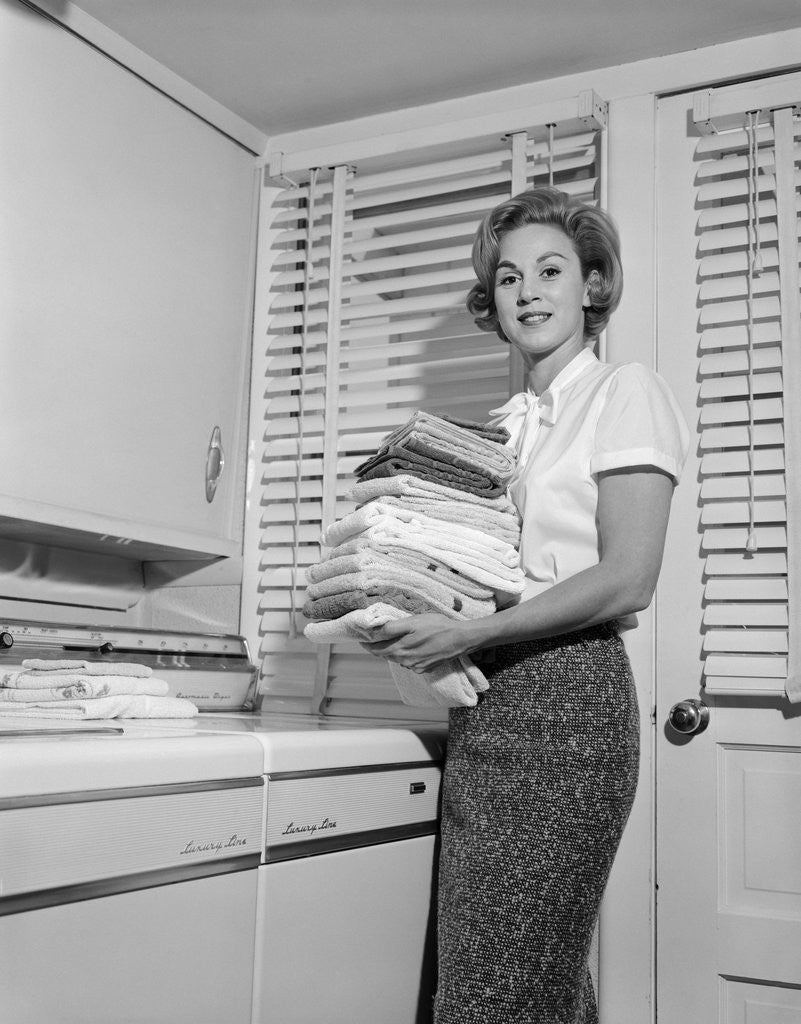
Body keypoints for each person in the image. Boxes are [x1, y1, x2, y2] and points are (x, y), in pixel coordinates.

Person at [368, 186, 689, 1023]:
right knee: (524, 981)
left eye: (550, 270)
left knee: (500, 994)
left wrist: (473, 627)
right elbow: (461, 564)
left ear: (590, 285)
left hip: (570, 707)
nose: (527, 292)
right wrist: (399, 610)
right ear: (493, 301)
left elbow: (627, 576)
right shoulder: (502, 428)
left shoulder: (623, 391)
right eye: (508, 278)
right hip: (485, 707)